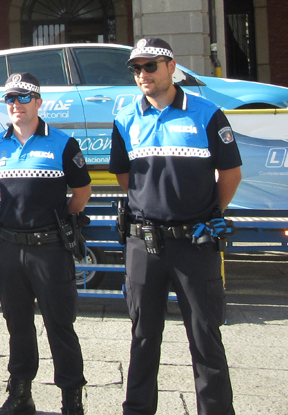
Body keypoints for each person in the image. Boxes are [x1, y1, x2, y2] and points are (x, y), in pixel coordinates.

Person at [109, 38, 242, 415]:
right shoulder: (125, 118)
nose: (142, 74)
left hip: (195, 242)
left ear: (171, 66)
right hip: (143, 243)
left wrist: (212, 211)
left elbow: (231, 173)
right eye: (136, 69)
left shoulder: (207, 113)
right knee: (143, 337)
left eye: (150, 66)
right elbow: (125, 176)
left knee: (205, 338)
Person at [0, 73, 92, 415]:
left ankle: (71, 399)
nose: (15, 104)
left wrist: (57, 222)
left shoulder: (63, 143)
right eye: (10, 99)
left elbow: (82, 193)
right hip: (9, 249)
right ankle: (20, 394)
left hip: (50, 249)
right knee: (17, 324)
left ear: (38, 102)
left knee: (59, 325)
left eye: (22, 97)